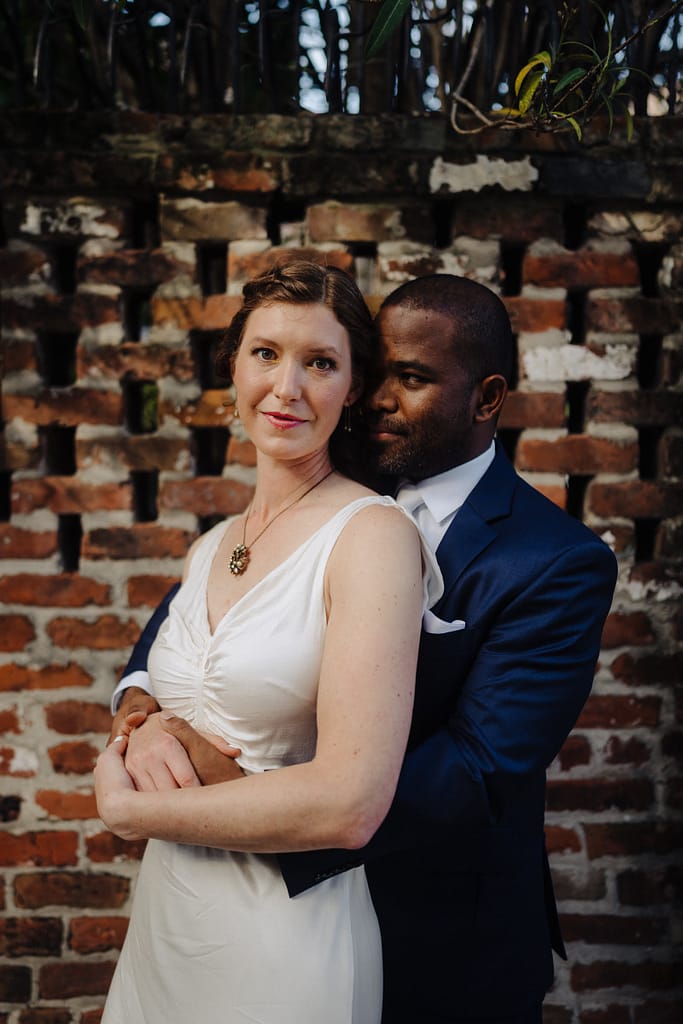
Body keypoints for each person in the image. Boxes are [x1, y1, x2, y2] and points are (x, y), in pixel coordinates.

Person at [110, 274, 618, 1024]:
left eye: (410, 379)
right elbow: (196, 622)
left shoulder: (554, 559)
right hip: (237, 907)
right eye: (372, 373)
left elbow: (478, 765)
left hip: (440, 930)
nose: (376, 398)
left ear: (486, 399)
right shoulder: (323, 482)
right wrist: (141, 712)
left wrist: (246, 796)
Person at [94, 260, 442, 1024]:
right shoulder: (211, 545)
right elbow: (170, 693)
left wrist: (133, 812)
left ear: (352, 387)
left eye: (319, 363)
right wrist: (142, 725)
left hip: (284, 938)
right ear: (233, 367)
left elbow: (350, 805)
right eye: (266, 354)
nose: (287, 388)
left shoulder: (371, 537)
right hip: (166, 924)